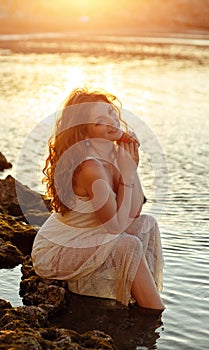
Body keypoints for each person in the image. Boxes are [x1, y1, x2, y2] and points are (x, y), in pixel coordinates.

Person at [31, 87, 165, 311]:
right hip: (57, 251)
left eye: (111, 113)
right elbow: (115, 227)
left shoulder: (113, 155)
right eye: (100, 121)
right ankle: (155, 312)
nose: (112, 122)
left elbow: (134, 213)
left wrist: (131, 167)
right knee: (128, 244)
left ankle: (140, 296)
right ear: (84, 133)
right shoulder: (89, 167)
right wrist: (128, 174)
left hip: (90, 238)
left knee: (147, 225)